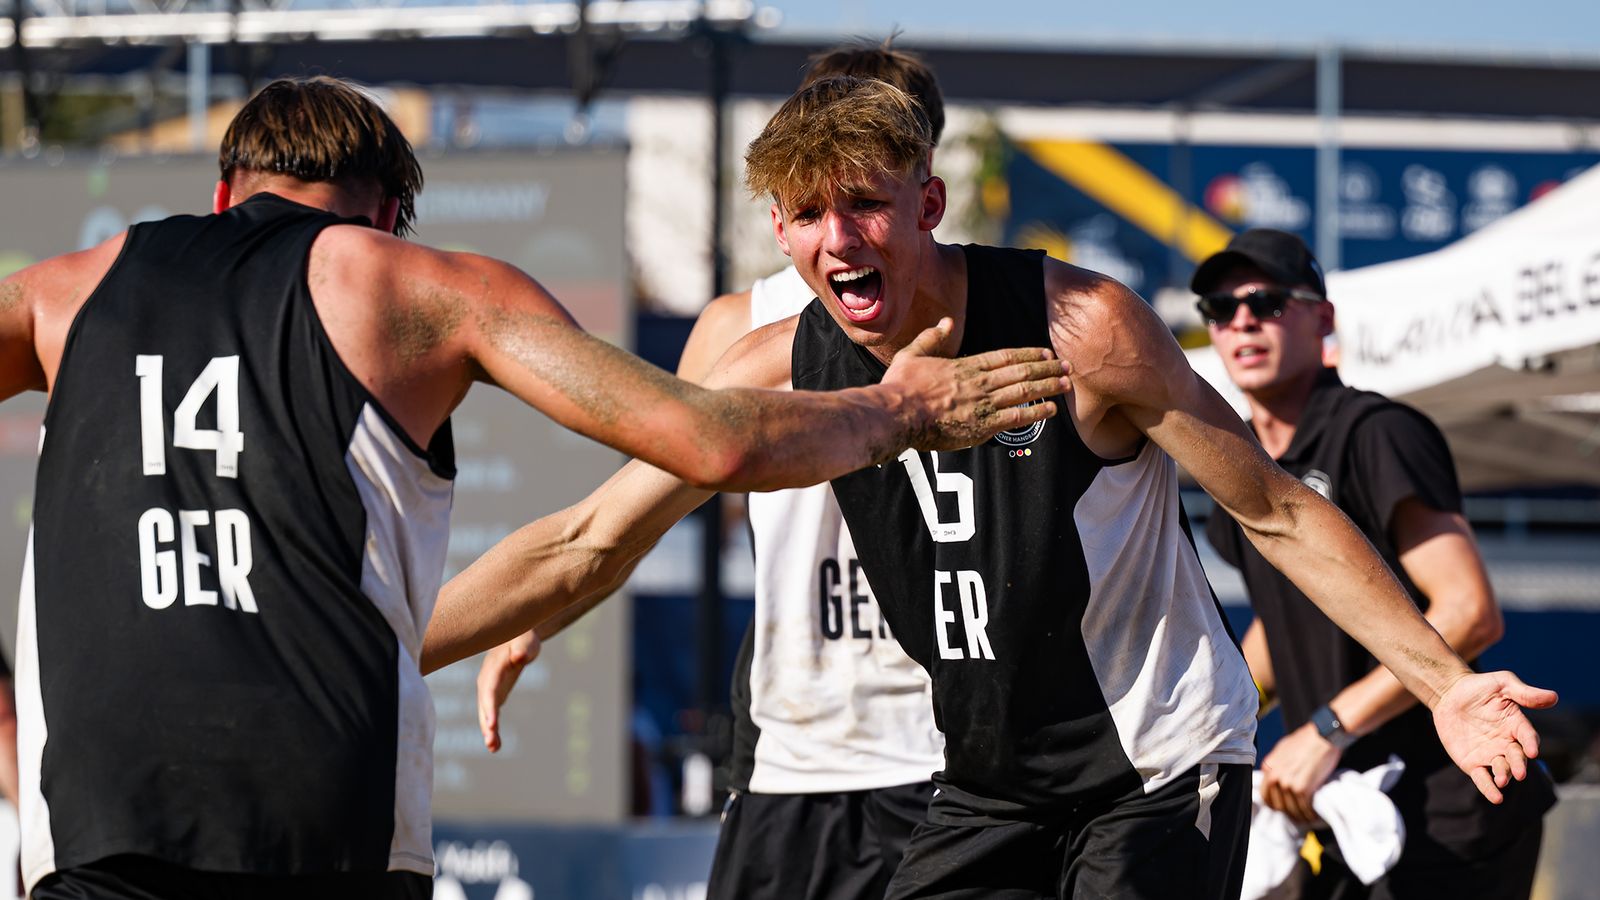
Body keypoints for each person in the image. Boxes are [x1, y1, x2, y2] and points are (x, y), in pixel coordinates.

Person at [421, 77, 1554, 900]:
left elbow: (1274, 509)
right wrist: (389, 647)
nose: (838, 239)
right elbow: (585, 539)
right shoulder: (769, 357)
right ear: (776, 229)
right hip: (985, 774)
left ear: (927, 207)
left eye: (863, 204)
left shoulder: (1081, 328)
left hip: (1150, 766)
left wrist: (1446, 685)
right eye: (809, 217)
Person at [0, 76, 1067, 900]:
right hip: (323, 809)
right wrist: (905, 411)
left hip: (96, 810)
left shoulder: (61, 289)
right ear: (386, 215)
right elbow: (707, 440)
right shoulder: (421, 286)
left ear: (223, 193)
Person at [474, 40, 949, 900]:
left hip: (950, 750)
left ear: (925, 178)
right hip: (796, 748)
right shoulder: (744, 323)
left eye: (877, 156)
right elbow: (634, 513)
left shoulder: (984, 308)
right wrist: (536, 612)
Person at [1194, 228, 1556, 899]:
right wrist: (1208, 727)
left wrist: (1325, 729)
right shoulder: (1240, 467)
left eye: (1267, 301)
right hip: (1342, 809)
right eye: (1219, 308)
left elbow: (1469, 611)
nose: (1241, 319)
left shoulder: (1375, 431)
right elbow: (1283, 622)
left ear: (1323, 318)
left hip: (1452, 805)